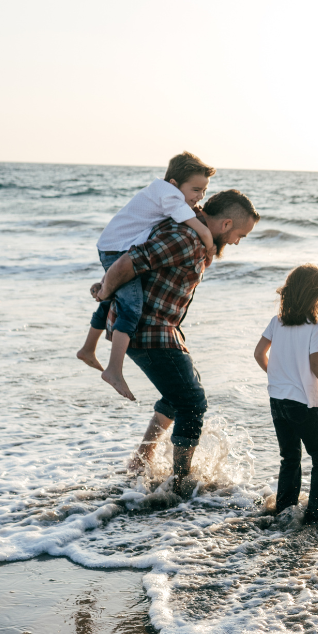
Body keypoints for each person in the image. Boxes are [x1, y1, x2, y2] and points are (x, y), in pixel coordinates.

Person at [90, 188, 260, 493]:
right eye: (240, 235)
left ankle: (141, 460)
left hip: (162, 328)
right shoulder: (186, 238)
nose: (237, 242)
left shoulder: (196, 236)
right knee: (192, 403)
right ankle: (181, 482)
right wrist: (104, 290)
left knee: (176, 394)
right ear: (224, 225)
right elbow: (129, 262)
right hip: (147, 330)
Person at [77, 152, 217, 401]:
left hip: (114, 246)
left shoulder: (163, 193)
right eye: (195, 189)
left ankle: (88, 348)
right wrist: (208, 242)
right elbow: (195, 225)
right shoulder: (169, 195)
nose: (199, 197)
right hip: (117, 250)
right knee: (132, 308)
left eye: (204, 191)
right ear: (174, 183)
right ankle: (114, 370)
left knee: (112, 298)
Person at [253, 263, 318, 525]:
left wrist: (277, 377)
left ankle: (284, 510)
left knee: (290, 457)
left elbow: (258, 354)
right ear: (316, 297)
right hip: (302, 403)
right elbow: (316, 365)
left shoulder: (277, 323)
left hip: (277, 398)